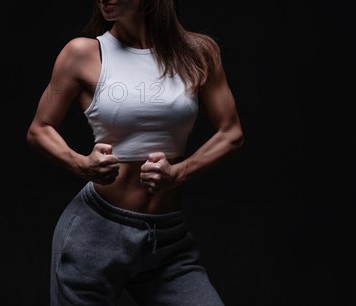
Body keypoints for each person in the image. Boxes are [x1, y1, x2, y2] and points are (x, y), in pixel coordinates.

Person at [27, 0, 244, 304]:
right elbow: (40, 128)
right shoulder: (82, 54)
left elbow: (231, 133)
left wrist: (179, 172)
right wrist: (81, 164)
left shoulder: (199, 53)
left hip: (167, 239)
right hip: (95, 234)